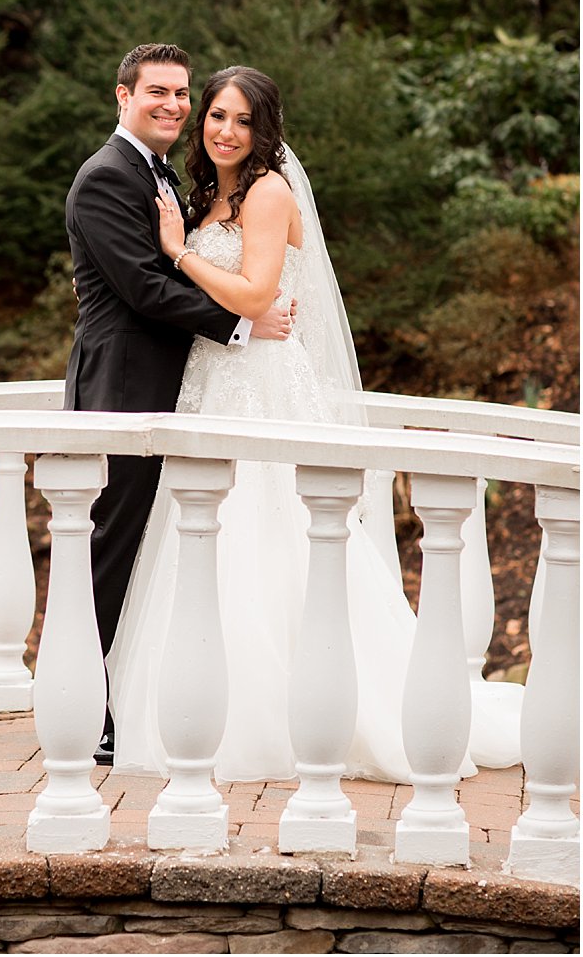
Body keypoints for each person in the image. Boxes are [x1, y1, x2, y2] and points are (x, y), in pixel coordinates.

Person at [105, 65, 514, 781]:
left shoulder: (267, 192)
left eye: (242, 120)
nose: (225, 130)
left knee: (272, 533)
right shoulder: (205, 195)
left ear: (265, 131)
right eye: (216, 116)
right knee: (208, 535)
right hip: (212, 384)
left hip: (261, 386)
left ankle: (291, 716)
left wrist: (177, 252)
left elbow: (258, 293)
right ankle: (203, 704)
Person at [63, 43, 293, 765]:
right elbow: (141, 288)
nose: (174, 105)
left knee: (160, 547)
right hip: (125, 386)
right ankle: (89, 708)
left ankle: (137, 696)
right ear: (122, 95)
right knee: (114, 544)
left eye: (182, 94)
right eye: (157, 91)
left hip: (186, 387)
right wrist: (238, 324)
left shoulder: (172, 178)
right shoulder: (107, 177)